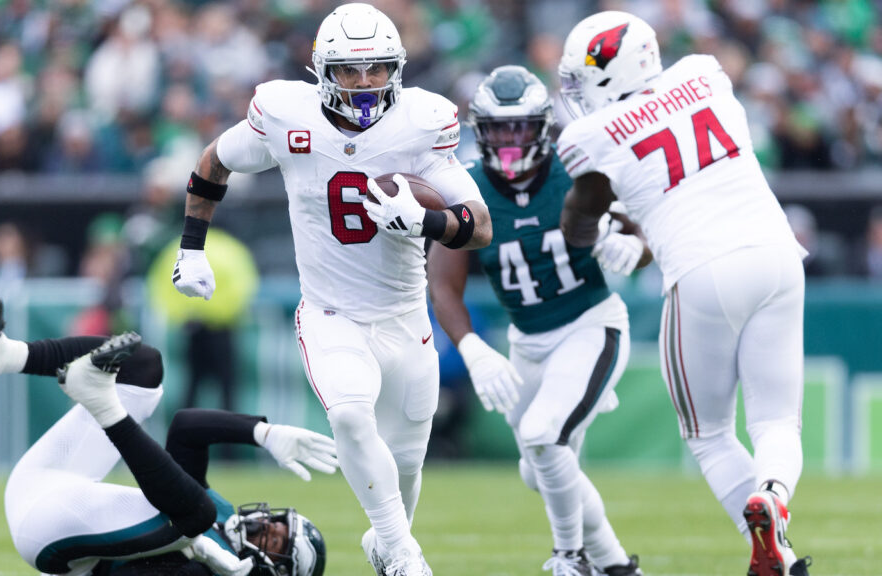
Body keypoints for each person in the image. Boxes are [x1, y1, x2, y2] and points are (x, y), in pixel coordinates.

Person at [169, 5, 493, 575]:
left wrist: (424, 223)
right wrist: (191, 245)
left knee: (406, 463)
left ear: (397, 68)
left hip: (405, 314)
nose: (365, 83)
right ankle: (403, 553)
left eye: (377, 69)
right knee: (348, 415)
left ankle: (387, 543)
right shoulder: (286, 116)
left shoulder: (422, 122)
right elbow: (215, 162)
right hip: (331, 313)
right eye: (350, 70)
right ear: (323, 70)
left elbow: (478, 224)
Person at [556, 11, 811, 576]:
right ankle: (773, 501)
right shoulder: (704, 73)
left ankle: (772, 537)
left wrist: (598, 237)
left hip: (702, 269)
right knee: (775, 423)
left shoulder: (590, 133)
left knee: (710, 434)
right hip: (776, 252)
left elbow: (584, 211)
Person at [427, 65, 647, 576]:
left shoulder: (580, 169)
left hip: (591, 325)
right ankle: (617, 567)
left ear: (543, 127)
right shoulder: (467, 187)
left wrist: (629, 249)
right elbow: (443, 285)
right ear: (480, 131)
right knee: (539, 468)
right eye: (498, 127)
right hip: (528, 342)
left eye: (520, 126)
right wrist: (474, 350)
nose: (509, 139)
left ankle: (570, 556)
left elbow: (649, 238)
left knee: (546, 437)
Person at [0, 293, 335, 576]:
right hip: (44, 483)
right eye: (274, 523)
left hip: (49, 537)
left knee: (195, 517)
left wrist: (198, 554)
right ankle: (5, 356)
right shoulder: (218, 516)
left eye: (273, 540)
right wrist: (262, 432)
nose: (263, 525)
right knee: (144, 367)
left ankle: (101, 403)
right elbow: (186, 428)